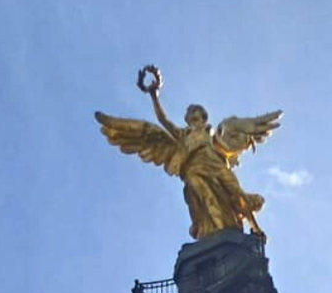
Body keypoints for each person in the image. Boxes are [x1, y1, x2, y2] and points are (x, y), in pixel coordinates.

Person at [95, 67, 283, 241]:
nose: (191, 114)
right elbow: (163, 120)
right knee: (203, 196)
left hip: (216, 164)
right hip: (193, 168)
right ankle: (216, 233)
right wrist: (154, 96)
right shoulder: (183, 135)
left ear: (202, 116)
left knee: (236, 192)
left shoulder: (214, 134)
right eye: (189, 113)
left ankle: (255, 228)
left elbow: (230, 141)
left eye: (194, 111)